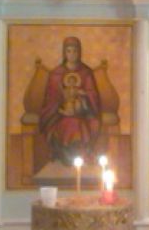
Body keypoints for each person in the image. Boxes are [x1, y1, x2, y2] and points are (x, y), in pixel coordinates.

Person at [39, 36, 102, 165]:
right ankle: (65, 155)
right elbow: (51, 99)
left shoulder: (86, 73)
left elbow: (93, 96)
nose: (72, 54)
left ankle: (80, 154)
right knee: (70, 123)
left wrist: (83, 98)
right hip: (60, 114)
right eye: (69, 51)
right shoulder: (56, 74)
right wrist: (62, 107)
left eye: (75, 51)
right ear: (64, 53)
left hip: (83, 113)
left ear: (79, 52)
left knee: (84, 123)